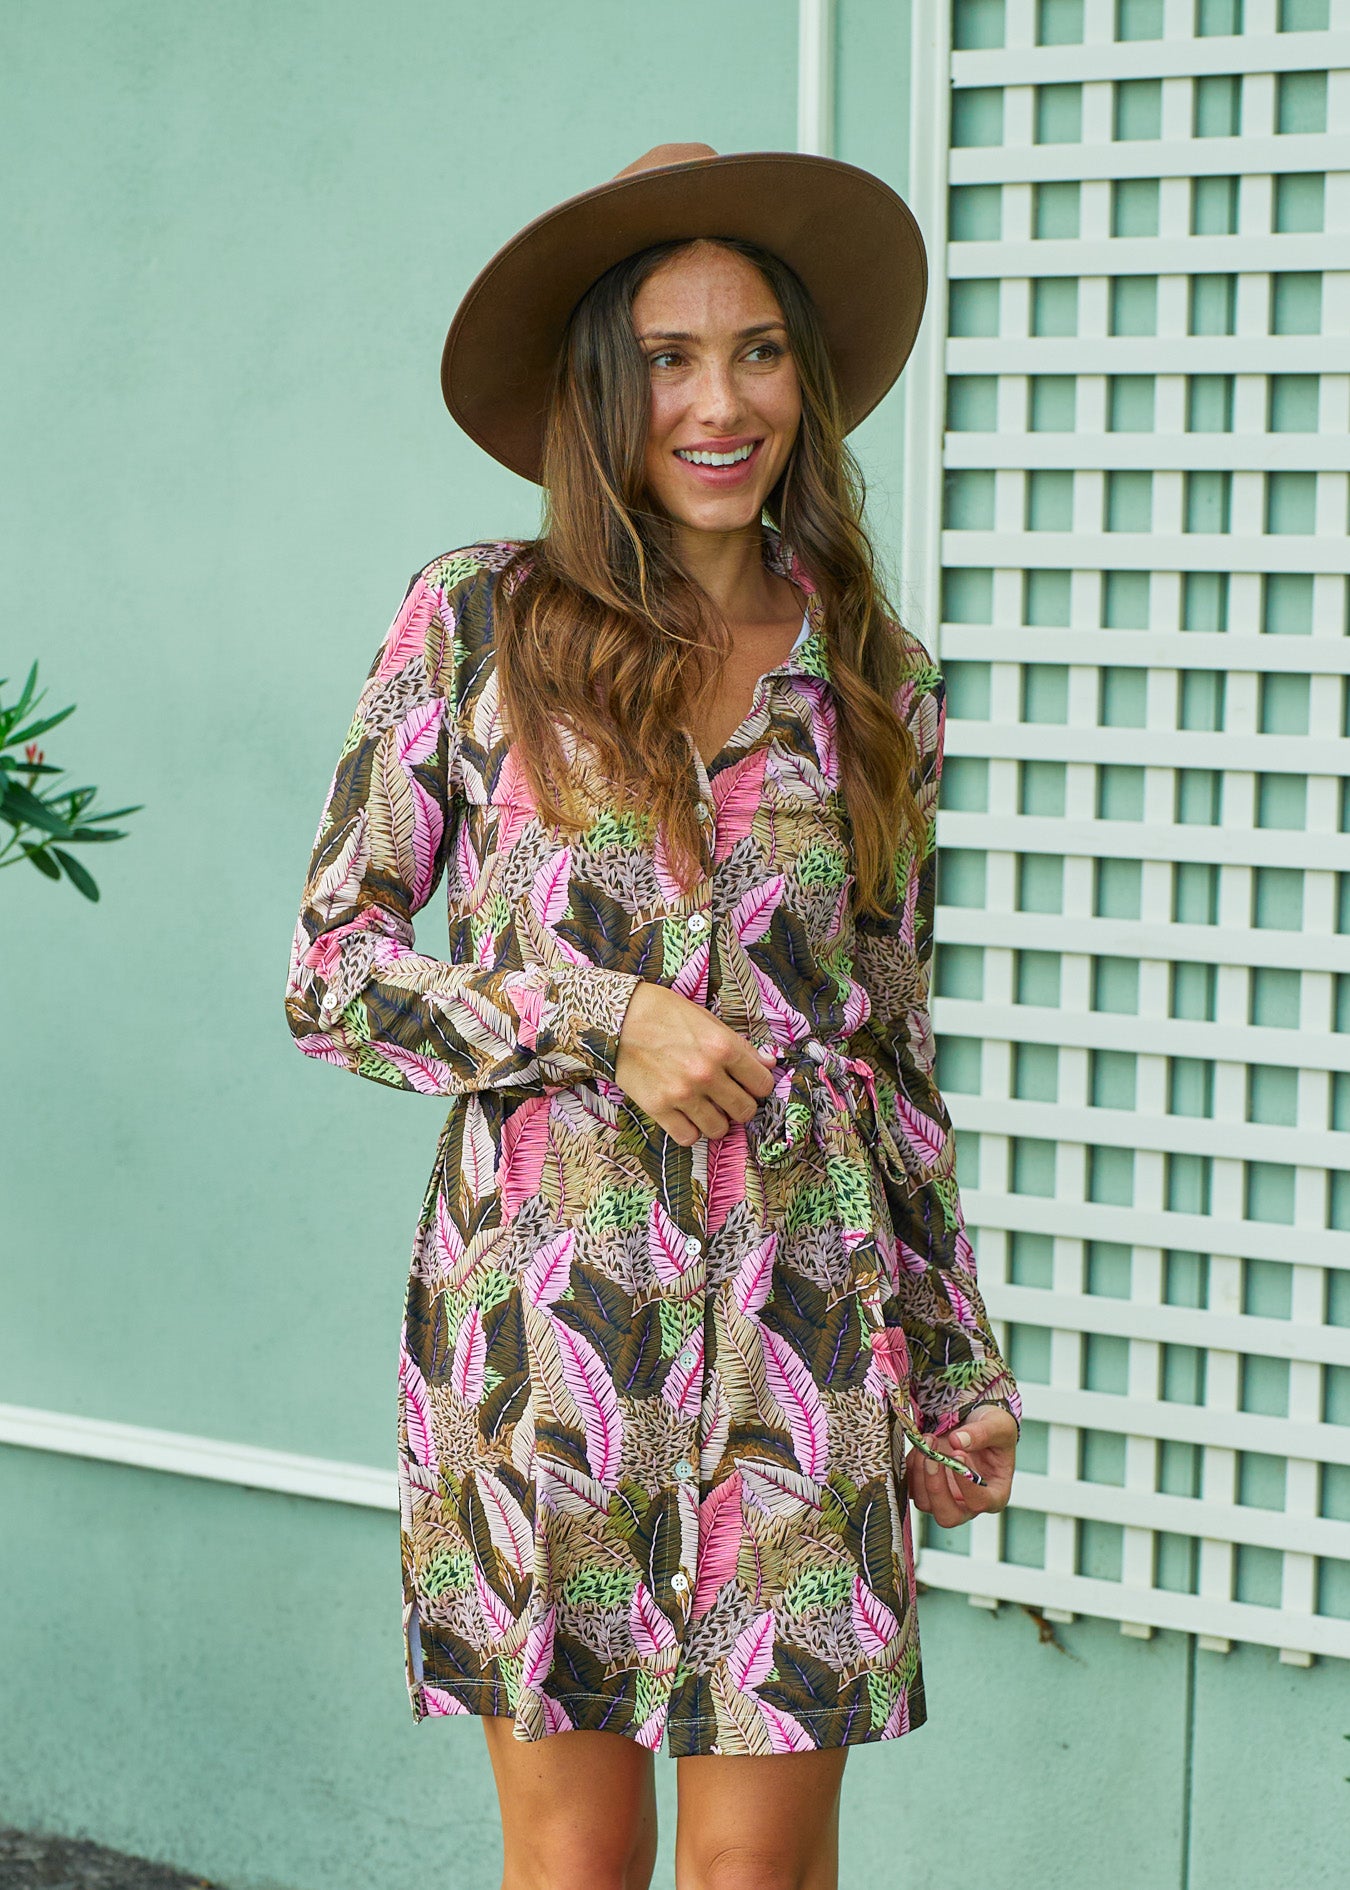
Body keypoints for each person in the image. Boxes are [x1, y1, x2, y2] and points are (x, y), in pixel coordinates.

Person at [284, 142, 1022, 1890]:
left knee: (759, 1877)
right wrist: (602, 1015)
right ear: (599, 389)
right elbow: (330, 969)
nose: (720, 400)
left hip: (806, 1318)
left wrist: (960, 1359)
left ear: (806, 381)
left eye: (759, 349)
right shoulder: (478, 624)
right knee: (577, 1869)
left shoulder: (872, 671)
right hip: (548, 1321)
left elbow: (892, 1054)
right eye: (670, 357)